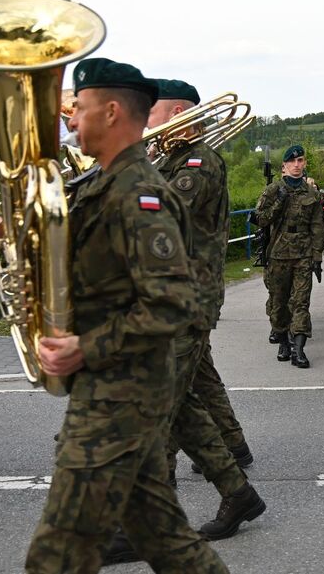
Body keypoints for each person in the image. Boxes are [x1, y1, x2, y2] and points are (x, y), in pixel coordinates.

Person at [0, 58, 228, 573]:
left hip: (120, 394)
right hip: (113, 388)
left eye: (79, 108)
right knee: (168, 542)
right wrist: (11, 232)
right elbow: (79, 249)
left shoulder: (140, 194)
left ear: (111, 112)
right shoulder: (103, 184)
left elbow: (172, 303)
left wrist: (83, 348)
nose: (70, 119)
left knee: (56, 554)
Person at [122, 79, 262, 551]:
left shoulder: (199, 162)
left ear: (178, 113)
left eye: (150, 112)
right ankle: (237, 492)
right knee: (182, 405)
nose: (144, 120)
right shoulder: (167, 159)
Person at [254, 144, 324, 368]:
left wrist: (317, 257)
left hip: (303, 254)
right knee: (279, 303)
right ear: (284, 166)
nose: (296, 165)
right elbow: (260, 219)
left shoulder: (312, 193)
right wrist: (279, 201)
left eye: (300, 160)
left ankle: (298, 349)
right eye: (292, 161)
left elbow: (317, 226)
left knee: (301, 302)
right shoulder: (273, 190)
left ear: (304, 163)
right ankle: (283, 340)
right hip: (278, 254)